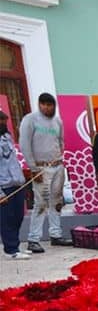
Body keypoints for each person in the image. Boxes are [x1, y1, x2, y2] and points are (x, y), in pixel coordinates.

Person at [21, 92, 72, 251]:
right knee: (41, 202)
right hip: (40, 168)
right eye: (43, 104)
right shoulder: (30, 119)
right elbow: (25, 144)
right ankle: (33, 239)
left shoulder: (58, 121)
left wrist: (60, 158)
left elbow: (61, 141)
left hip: (58, 166)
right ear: (39, 104)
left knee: (56, 201)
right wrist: (33, 168)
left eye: (50, 105)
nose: (47, 107)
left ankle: (55, 235)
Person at [0, 110, 30, 259]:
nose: (4, 123)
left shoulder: (7, 137)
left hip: (17, 183)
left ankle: (15, 245)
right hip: (4, 187)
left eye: (4, 120)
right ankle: (11, 250)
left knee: (18, 216)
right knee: (7, 219)